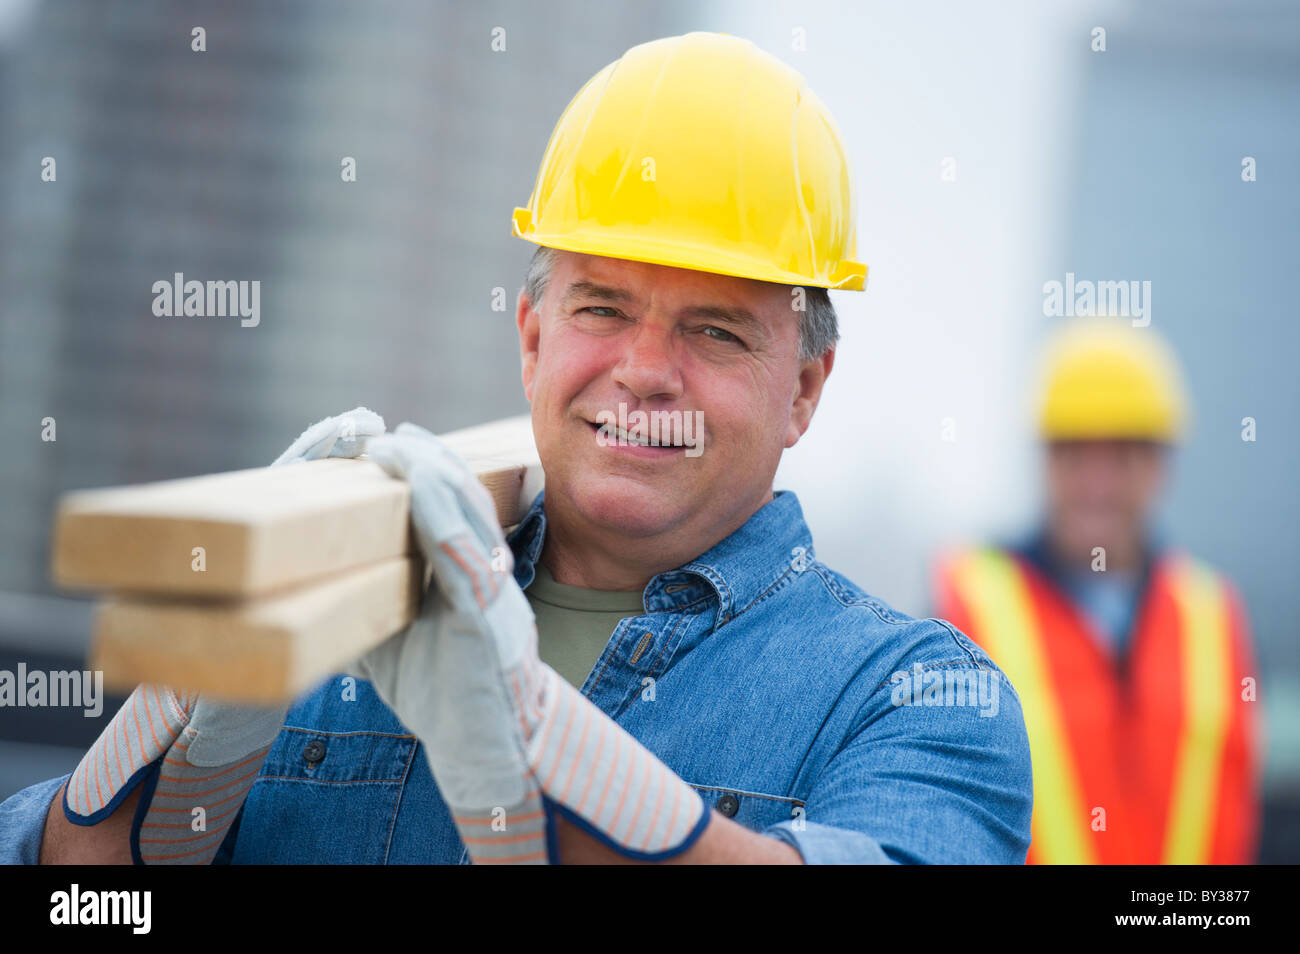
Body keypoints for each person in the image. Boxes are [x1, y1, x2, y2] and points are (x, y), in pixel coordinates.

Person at [2, 31, 1031, 865]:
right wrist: (167, 741)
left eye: (714, 329)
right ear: (533, 337)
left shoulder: (913, 702)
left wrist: (526, 727)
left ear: (803, 387)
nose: (644, 370)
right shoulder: (339, 615)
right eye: (603, 307)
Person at [933, 318, 1262, 864]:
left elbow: (1238, 808)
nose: (1098, 482)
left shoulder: (1214, 616)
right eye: (1077, 453)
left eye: (1123, 455)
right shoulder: (969, 605)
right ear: (1045, 460)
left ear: (1161, 467)